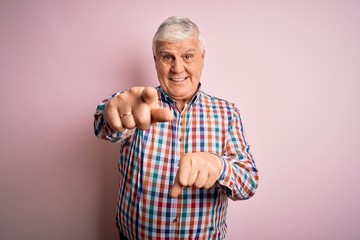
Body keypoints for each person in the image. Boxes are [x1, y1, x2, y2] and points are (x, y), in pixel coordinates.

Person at [94, 16, 258, 240]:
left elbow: (248, 183)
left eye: (188, 56)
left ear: (202, 57)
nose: (177, 68)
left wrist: (220, 166)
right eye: (167, 57)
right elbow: (103, 126)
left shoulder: (227, 113)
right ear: (155, 59)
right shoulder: (139, 102)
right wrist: (110, 113)